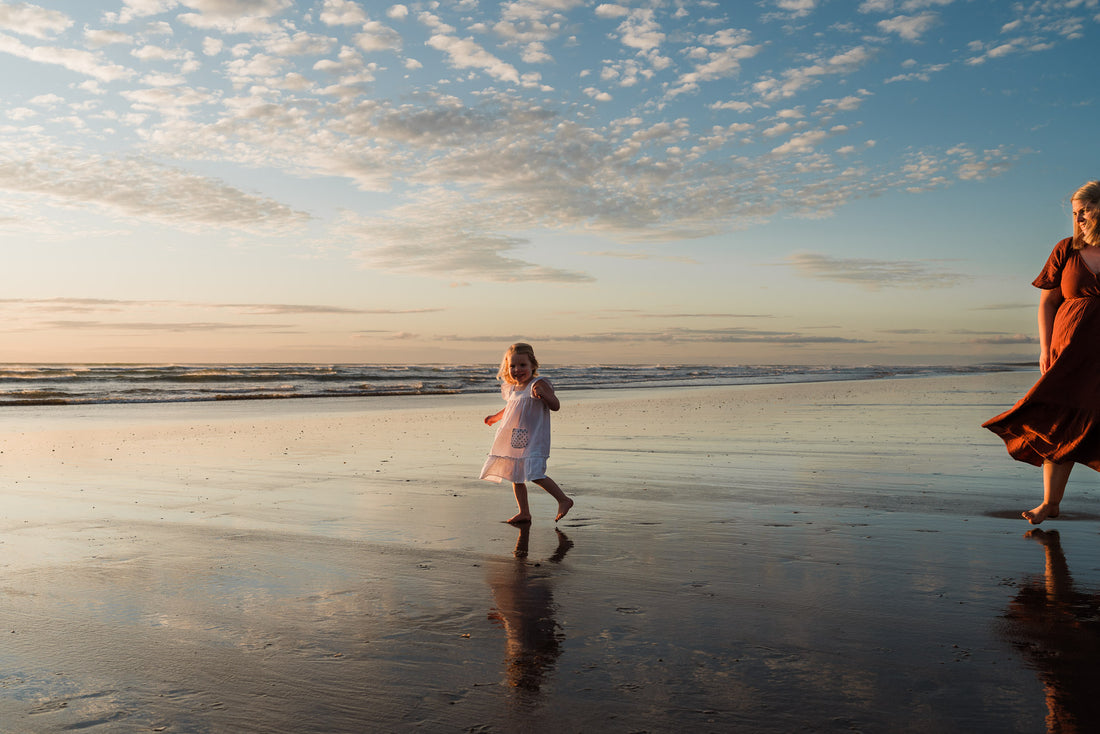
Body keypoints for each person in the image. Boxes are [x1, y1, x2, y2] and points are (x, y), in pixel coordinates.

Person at [984, 180, 1100, 524]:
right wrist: (1045, 347)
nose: (1077, 218)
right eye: (1074, 212)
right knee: (1058, 425)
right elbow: (1048, 302)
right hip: (1067, 351)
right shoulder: (1066, 250)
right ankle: (1050, 503)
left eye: (1084, 211)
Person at [480, 343, 574, 524]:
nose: (517, 370)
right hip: (514, 438)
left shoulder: (537, 384)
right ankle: (524, 512)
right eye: (512, 366)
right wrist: (495, 417)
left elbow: (555, 405)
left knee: (535, 473)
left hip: (533, 438)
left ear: (532, 365)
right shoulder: (512, 388)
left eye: (522, 365)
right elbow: (510, 408)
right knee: (516, 475)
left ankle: (563, 500)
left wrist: (544, 395)